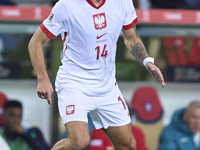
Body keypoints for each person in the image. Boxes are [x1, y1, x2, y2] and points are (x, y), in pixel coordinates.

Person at [28, 0, 166, 149]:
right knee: (79, 142)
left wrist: (146, 60)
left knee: (128, 145)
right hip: (74, 83)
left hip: (106, 87)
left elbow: (131, 37)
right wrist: (43, 79)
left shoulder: (123, 3)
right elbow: (35, 41)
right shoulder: (66, 5)